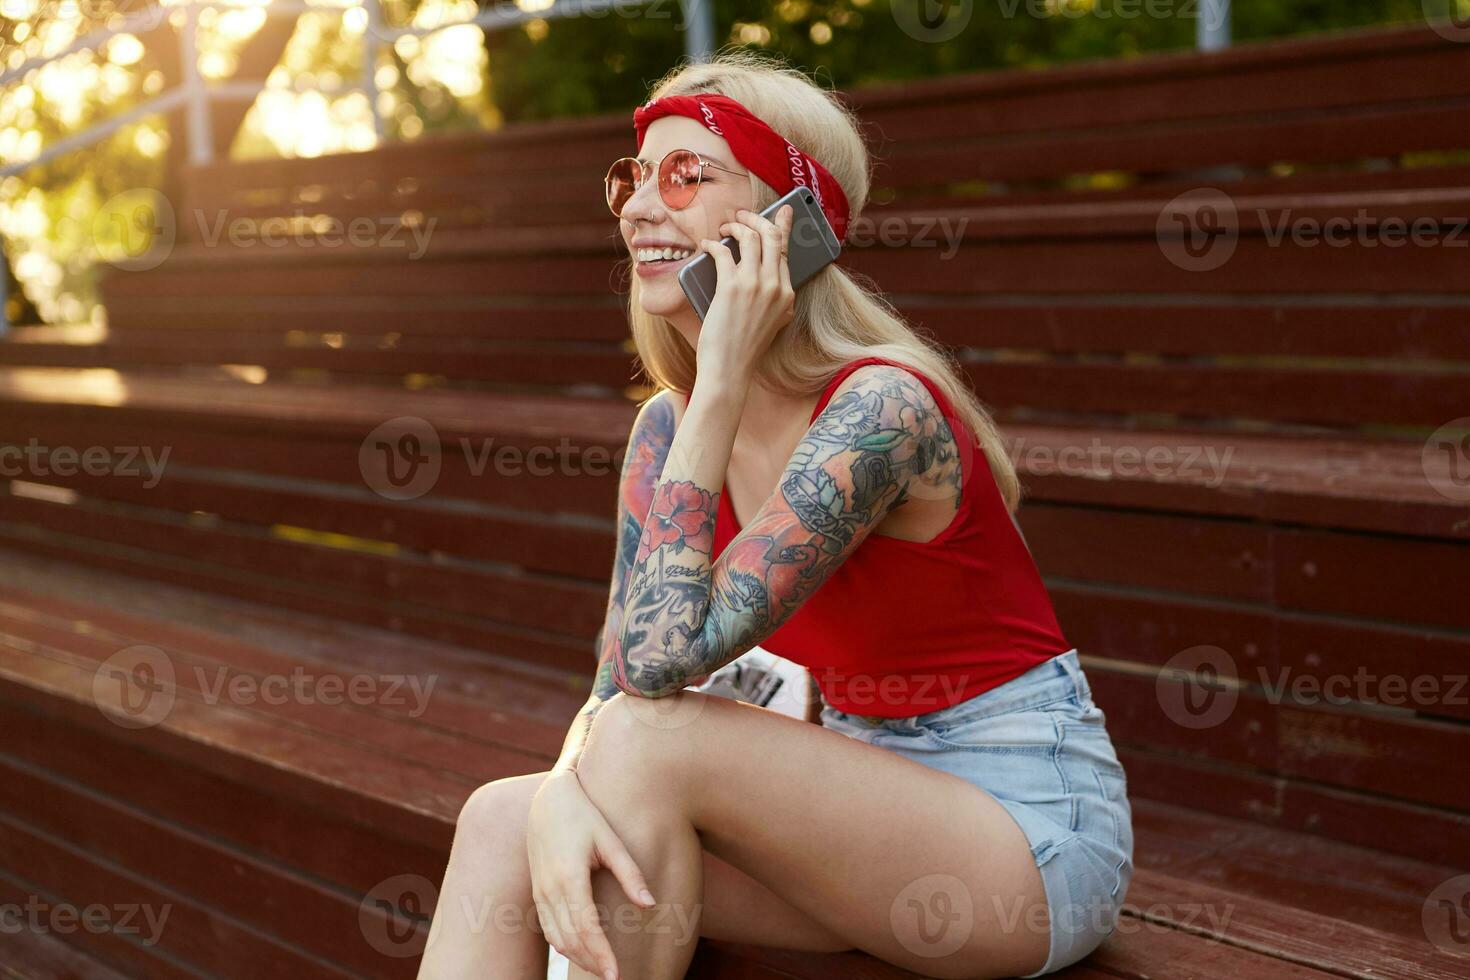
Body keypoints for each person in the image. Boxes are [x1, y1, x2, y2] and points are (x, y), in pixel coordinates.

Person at [417, 49, 1133, 980]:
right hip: (860, 818)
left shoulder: (881, 409)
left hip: (1028, 838)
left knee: (647, 741)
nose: (639, 207)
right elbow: (615, 684)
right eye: (633, 178)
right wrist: (560, 792)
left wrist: (717, 380)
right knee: (500, 820)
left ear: (788, 227)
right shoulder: (666, 431)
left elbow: (662, 672)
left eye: (687, 175)